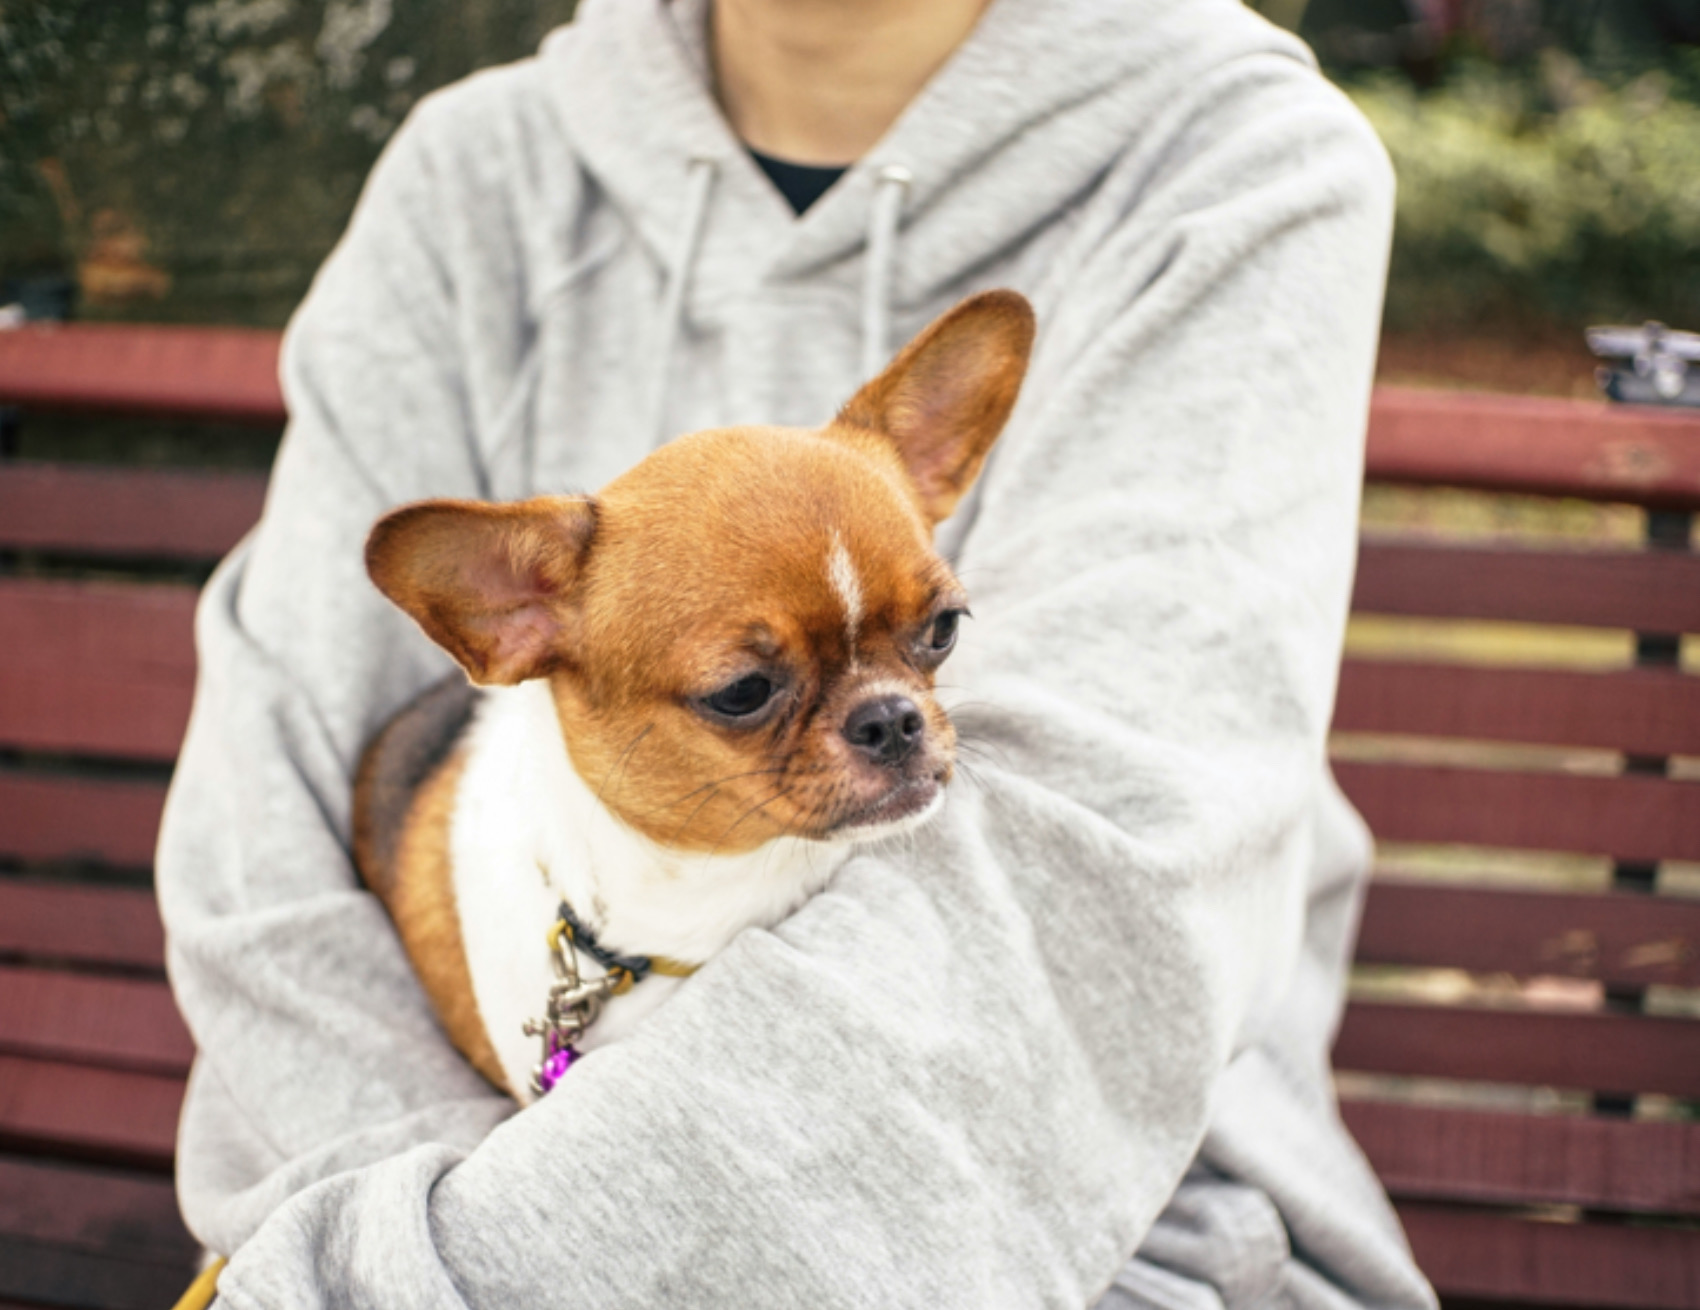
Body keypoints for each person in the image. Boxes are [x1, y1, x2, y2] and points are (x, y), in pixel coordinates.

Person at [157, 0, 1436, 1304]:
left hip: (1105, 1222)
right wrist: (398, 1256)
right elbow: (263, 839)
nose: (891, 709)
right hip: (392, 1210)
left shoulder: (1234, 158)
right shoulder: (469, 177)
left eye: (932, 640)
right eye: (749, 690)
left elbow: (1087, 895)